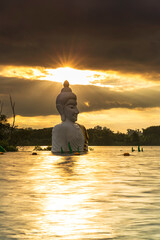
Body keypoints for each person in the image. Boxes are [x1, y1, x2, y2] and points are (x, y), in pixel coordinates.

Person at [52, 80, 88, 153]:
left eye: (75, 107)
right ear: (60, 109)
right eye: (72, 107)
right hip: (78, 163)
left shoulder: (80, 128)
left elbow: (57, 153)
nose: (77, 111)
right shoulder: (60, 128)